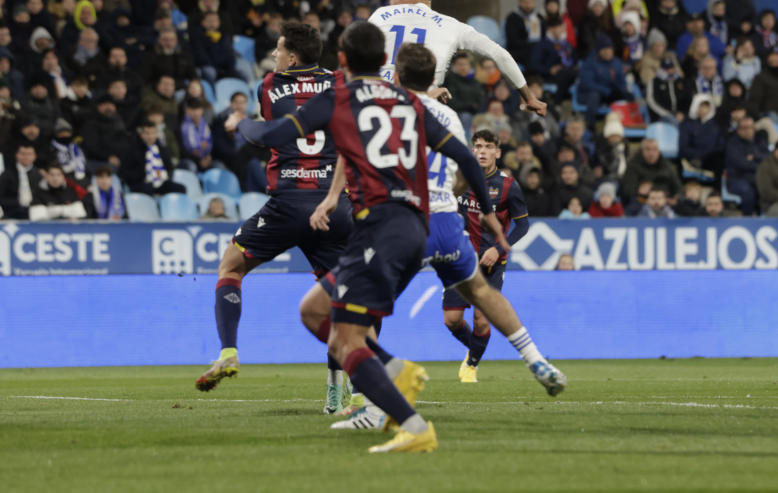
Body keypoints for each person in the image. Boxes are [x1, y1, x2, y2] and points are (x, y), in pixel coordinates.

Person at [226, 23, 563, 452]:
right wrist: (494, 220)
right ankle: (397, 383)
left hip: (380, 228)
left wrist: (241, 125)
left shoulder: (341, 97)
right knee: (318, 309)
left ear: (343, 61)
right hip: (414, 223)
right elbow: (463, 156)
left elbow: (274, 135)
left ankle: (403, 406)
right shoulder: (411, 103)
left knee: (331, 325)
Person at [191, 23, 354, 406]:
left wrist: (239, 124)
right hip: (334, 205)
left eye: (279, 50)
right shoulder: (341, 83)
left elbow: (273, 127)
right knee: (346, 296)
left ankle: (228, 352)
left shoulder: (269, 85)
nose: (275, 56)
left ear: (292, 57)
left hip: (286, 204)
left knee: (231, 266)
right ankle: (338, 387)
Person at [369, 0, 546, 117]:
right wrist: (529, 98)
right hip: (422, 111)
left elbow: (355, 56)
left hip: (373, 105)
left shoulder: (380, 15)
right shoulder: (452, 26)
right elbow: (500, 54)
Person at [446, 128, 530, 382]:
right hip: (459, 258)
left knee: (482, 322)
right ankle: (475, 348)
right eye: (478, 146)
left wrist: (498, 249)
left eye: (488, 147)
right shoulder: (460, 179)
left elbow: (523, 225)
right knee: (451, 320)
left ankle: (471, 364)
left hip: (492, 261)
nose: (482, 151)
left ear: (498, 152)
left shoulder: (508, 185)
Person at [577, 33, 630, 127]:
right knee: (594, 96)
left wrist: (621, 91)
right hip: (588, 94)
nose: (607, 52)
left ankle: (629, 124)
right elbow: (587, 83)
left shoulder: (616, 62)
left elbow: (621, 81)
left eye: (609, 49)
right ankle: (591, 126)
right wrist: (608, 92)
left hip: (608, 94)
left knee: (627, 95)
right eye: (604, 49)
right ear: (599, 50)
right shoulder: (590, 63)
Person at [120, 120, 184, 196]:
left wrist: (164, 176)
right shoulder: (132, 150)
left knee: (180, 188)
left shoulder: (162, 150)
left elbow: (169, 168)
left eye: (153, 133)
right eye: (147, 133)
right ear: (141, 134)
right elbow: (123, 172)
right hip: (140, 183)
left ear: (157, 134)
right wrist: (144, 174)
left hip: (161, 181)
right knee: (147, 188)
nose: (150, 136)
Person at [725, 116, 769, 215]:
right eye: (744, 128)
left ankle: (764, 218)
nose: (747, 131)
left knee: (767, 189)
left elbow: (768, 158)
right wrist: (759, 165)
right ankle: (747, 220)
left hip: (756, 179)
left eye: (750, 127)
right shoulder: (732, 143)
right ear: (738, 130)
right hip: (736, 180)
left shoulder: (759, 142)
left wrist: (755, 156)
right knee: (748, 191)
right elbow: (740, 163)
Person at [621, 138, 683, 204]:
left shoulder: (667, 166)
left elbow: (677, 188)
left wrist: (676, 198)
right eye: (648, 149)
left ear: (659, 151)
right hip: (641, 204)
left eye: (654, 149)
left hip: (666, 203)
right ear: (642, 151)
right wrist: (643, 197)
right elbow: (628, 191)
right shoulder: (633, 166)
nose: (651, 153)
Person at [679, 93, 725, 178]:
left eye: (706, 106)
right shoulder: (687, 125)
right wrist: (699, 154)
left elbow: (720, 144)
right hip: (694, 158)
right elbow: (683, 148)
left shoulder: (715, 126)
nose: (703, 109)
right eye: (700, 106)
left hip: (711, 159)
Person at [504, 0, 544, 67]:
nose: (527, 5)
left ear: (534, 2)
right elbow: (512, 41)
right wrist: (532, 46)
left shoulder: (539, 18)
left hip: (537, 50)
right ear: (520, 2)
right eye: (525, 2)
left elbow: (543, 38)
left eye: (530, 1)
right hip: (518, 51)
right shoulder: (512, 18)